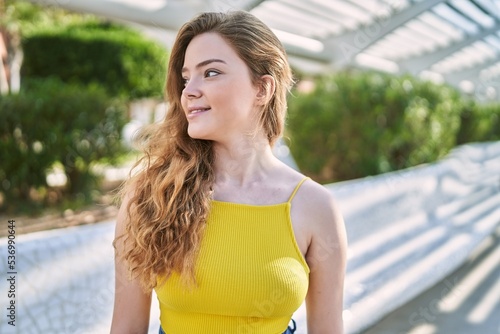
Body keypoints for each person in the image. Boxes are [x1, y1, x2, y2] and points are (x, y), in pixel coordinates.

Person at [110, 10, 347, 334]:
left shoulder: (316, 207)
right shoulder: (151, 195)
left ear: (262, 89)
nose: (189, 91)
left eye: (210, 73)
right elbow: (126, 328)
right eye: (186, 78)